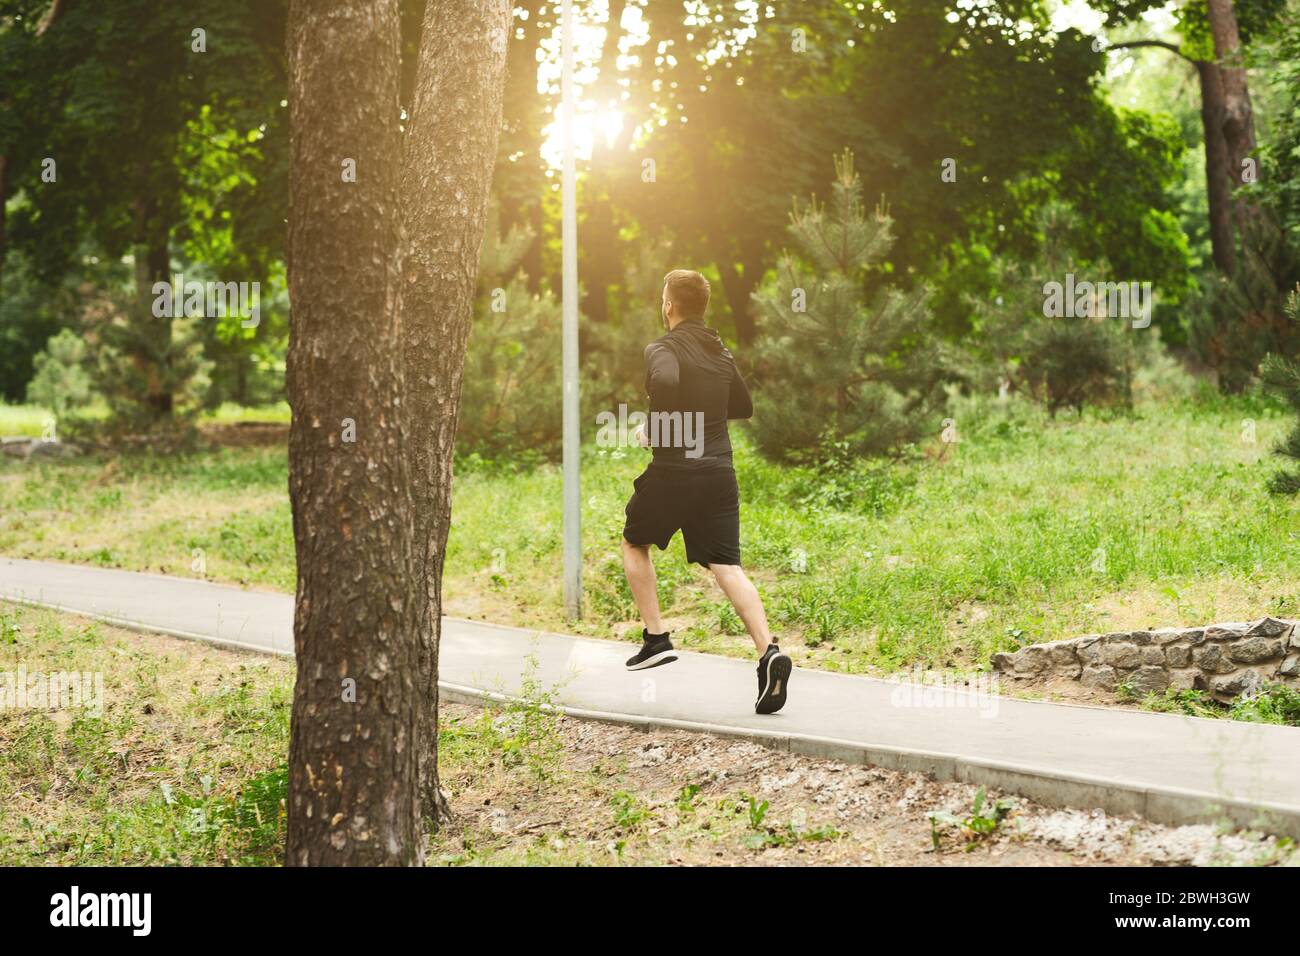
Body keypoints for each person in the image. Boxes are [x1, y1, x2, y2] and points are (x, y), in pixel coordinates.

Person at [620, 269, 792, 715]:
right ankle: (768, 652)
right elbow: (743, 406)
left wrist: (654, 429)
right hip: (719, 472)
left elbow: (667, 381)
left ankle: (656, 637)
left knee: (634, 541)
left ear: (669, 306)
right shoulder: (720, 351)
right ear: (703, 306)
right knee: (727, 566)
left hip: (676, 471)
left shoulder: (662, 348)